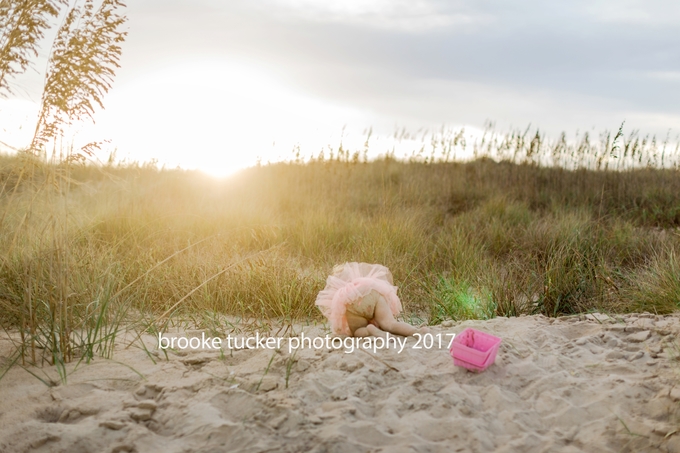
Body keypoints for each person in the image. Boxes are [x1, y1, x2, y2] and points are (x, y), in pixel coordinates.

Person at [315, 262, 427, 337]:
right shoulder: (363, 281)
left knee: (358, 331)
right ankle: (416, 332)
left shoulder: (344, 293)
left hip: (352, 304)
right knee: (390, 324)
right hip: (371, 292)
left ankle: (369, 330)